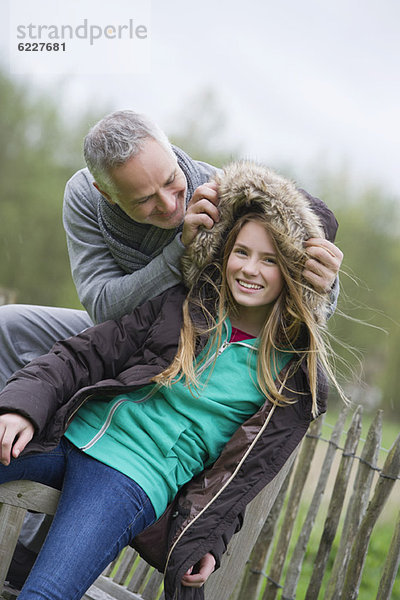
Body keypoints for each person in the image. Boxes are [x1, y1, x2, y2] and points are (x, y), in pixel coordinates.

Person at [1, 110, 342, 589]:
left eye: (271, 260)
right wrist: (20, 410)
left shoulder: (288, 375)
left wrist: (211, 538)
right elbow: (87, 347)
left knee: (46, 591)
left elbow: (242, 470)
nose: (250, 269)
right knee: (11, 330)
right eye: (241, 253)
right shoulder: (181, 309)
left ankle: (31, 561)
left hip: (130, 478)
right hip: (77, 430)